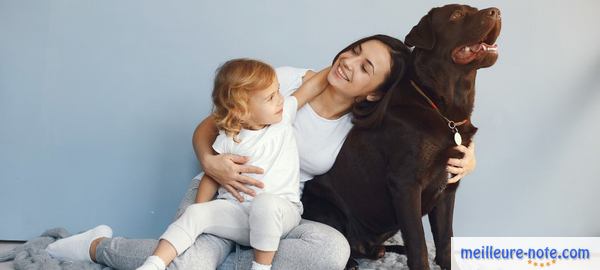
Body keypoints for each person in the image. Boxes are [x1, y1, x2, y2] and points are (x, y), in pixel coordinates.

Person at [44, 34, 476, 270]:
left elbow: (433, 132)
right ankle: (97, 247)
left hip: (277, 213)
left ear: (376, 91)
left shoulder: (365, 128)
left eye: (366, 67)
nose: (350, 61)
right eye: (355, 50)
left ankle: (226, 258)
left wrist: (467, 158)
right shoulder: (285, 83)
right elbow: (208, 126)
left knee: (331, 252)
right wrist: (210, 161)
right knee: (190, 263)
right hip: (221, 193)